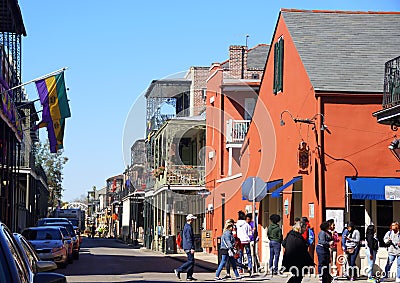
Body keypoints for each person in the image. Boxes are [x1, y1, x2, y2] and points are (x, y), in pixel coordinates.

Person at [174, 214, 197, 281]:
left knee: (191, 261)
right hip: (188, 246)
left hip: (187, 246)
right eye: (192, 219)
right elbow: (189, 238)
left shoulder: (186, 226)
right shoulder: (188, 227)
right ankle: (179, 270)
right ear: (190, 219)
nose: (193, 220)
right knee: (190, 261)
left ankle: (189, 276)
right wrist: (192, 248)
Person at [236, 211, 252, 275]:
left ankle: (240, 269)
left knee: (240, 255)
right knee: (248, 254)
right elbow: (249, 233)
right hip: (246, 241)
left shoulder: (236, 225)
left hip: (240, 241)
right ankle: (249, 267)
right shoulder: (247, 225)